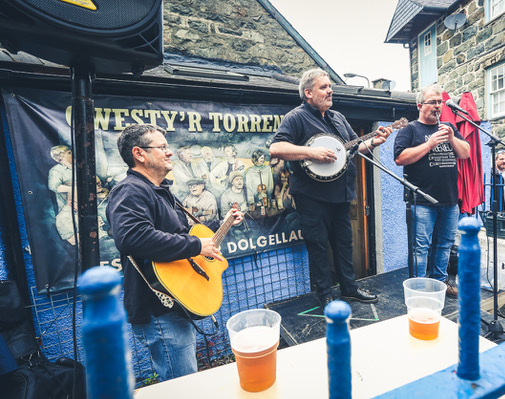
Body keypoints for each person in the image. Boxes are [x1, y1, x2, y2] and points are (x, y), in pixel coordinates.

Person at [106, 123, 243, 382]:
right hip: (158, 307)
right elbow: (132, 237)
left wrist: (220, 225)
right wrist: (196, 246)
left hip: (174, 304)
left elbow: (185, 235)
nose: (169, 152)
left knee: (185, 383)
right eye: (162, 147)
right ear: (139, 153)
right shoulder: (130, 191)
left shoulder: (162, 193)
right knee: (182, 385)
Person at [269, 68, 391, 309]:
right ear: (308, 93)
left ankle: (350, 289)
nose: (330, 90)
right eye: (323, 87)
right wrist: (311, 152)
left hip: (340, 195)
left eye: (329, 86)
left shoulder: (337, 118)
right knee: (319, 246)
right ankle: (324, 294)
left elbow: (352, 148)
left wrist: (374, 141)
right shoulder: (296, 117)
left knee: (345, 243)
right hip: (311, 197)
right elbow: (276, 148)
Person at [394, 83, 470, 297]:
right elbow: (400, 158)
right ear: (420, 105)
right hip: (422, 201)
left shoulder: (449, 128)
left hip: (450, 200)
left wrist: (452, 138)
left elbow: (465, 153)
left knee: (445, 244)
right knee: (421, 248)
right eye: (432, 102)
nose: (437, 106)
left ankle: (440, 281)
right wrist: (429, 144)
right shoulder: (409, 129)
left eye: (439, 102)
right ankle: (419, 286)